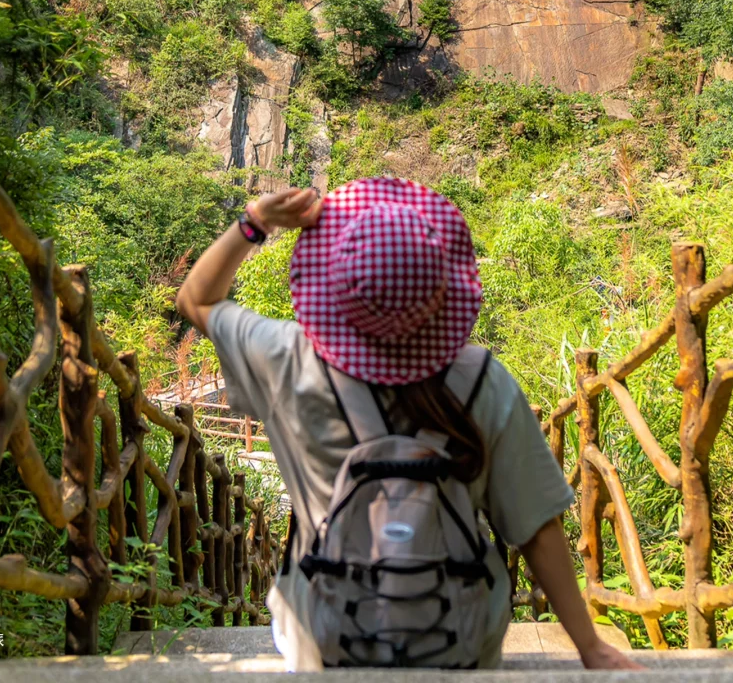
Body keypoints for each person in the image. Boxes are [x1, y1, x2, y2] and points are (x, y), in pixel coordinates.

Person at [176, 178, 643, 672]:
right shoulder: (481, 379)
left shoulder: (287, 359)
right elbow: (535, 527)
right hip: (456, 640)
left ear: (333, 284)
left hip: (326, 637)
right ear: (441, 290)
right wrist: (590, 647)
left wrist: (256, 221)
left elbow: (197, 301)